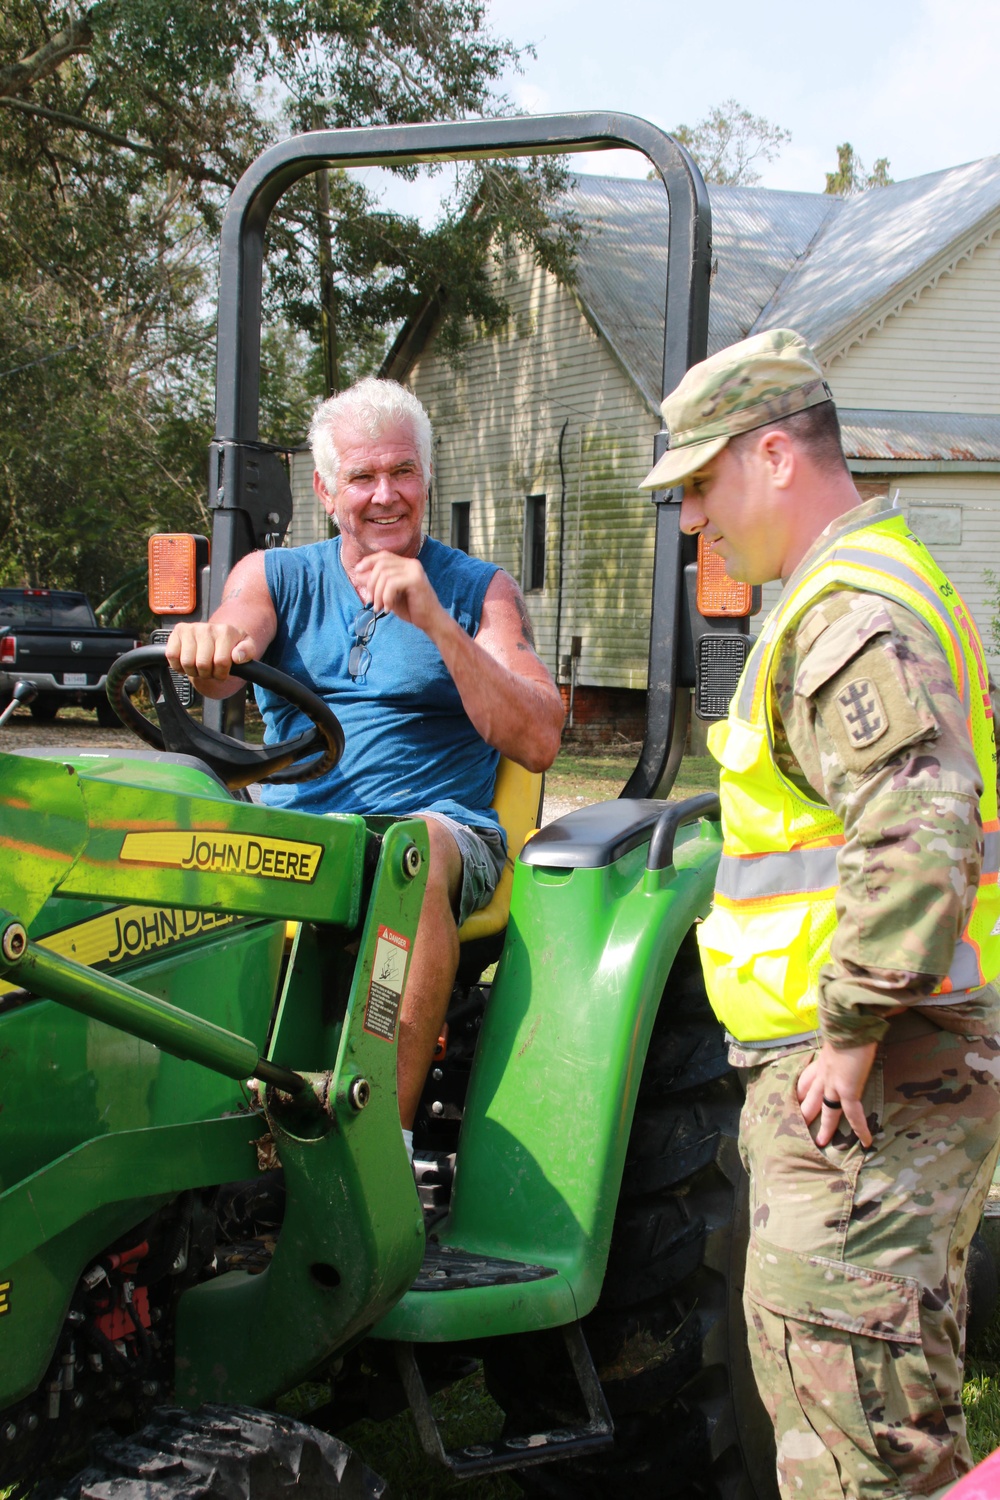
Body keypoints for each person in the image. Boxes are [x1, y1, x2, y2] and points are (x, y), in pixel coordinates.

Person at [638, 328, 1000, 1499]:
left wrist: (845, 1038)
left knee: (859, 1450)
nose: (696, 517)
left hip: (868, 1084)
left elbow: (919, 829)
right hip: (894, 1073)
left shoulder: (846, 615)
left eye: (702, 482)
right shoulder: (879, 583)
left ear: (776, 454)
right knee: (883, 1414)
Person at [168, 377, 564, 1147]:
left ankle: (378, 1148)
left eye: (403, 472)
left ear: (425, 477)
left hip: (440, 836)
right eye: (362, 477)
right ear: (325, 488)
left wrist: (435, 623)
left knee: (404, 855)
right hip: (296, 839)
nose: (386, 495)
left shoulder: (479, 592)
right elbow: (229, 651)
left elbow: (539, 737)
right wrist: (205, 651)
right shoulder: (274, 576)